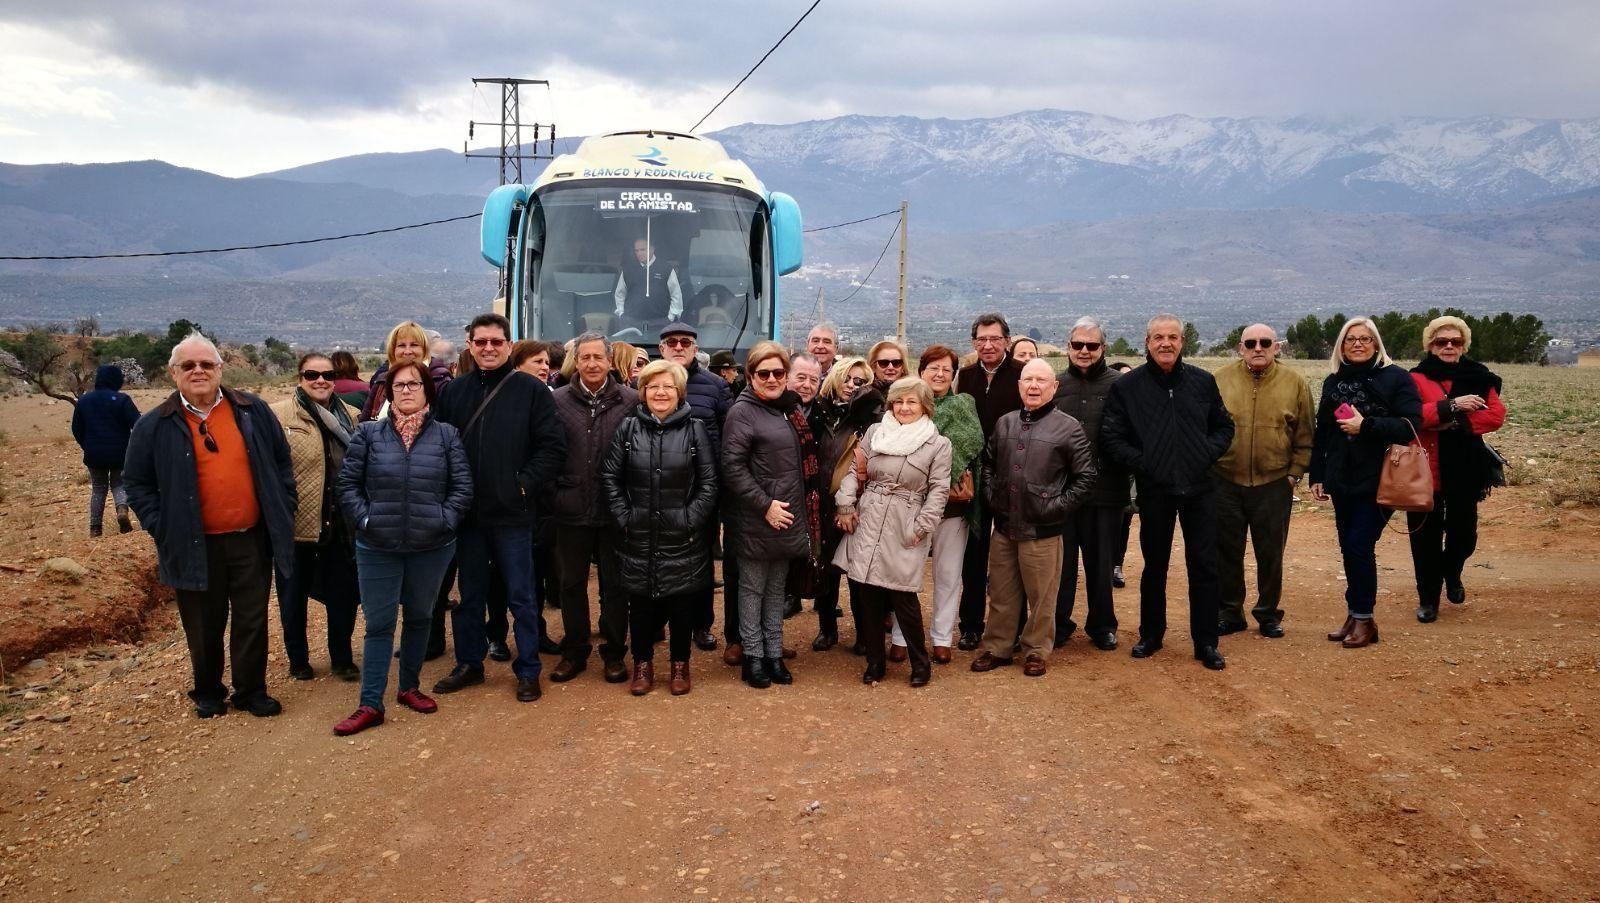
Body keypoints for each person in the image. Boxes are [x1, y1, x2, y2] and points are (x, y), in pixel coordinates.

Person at [124, 332, 296, 719]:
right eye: (189, 365)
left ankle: (251, 690)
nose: (198, 371)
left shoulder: (252, 410)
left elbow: (281, 462)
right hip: (190, 543)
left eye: (206, 364)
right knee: (203, 623)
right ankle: (207, 691)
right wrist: (161, 525)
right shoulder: (154, 424)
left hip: (251, 538)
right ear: (173, 373)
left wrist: (283, 506)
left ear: (220, 369)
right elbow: (136, 483)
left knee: (251, 618)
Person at [331, 362, 473, 736]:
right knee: (379, 624)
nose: (406, 390)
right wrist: (366, 520)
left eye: (414, 384)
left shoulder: (447, 436)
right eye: (399, 385)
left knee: (421, 617)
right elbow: (347, 485)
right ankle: (370, 703)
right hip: (378, 545)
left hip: (433, 545)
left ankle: (409, 687)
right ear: (389, 391)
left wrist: (445, 520)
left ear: (427, 390)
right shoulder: (367, 435)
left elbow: (462, 487)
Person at [432, 313, 566, 702]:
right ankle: (469, 664)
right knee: (470, 595)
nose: (488, 348)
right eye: (480, 342)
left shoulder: (532, 391)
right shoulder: (453, 393)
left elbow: (552, 448)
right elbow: (441, 448)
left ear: (509, 345)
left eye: (496, 341)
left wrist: (522, 485)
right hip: (469, 515)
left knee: (522, 596)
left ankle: (528, 669)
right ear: (470, 345)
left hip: (514, 515)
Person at [1101, 314, 1234, 672]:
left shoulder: (1202, 383)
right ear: (1147, 342)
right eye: (1158, 337)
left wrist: (1204, 454)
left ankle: (1206, 642)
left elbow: (1224, 426)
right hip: (1155, 489)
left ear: (1182, 341)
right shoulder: (1129, 388)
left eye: (1172, 337)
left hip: (1200, 488)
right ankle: (1152, 634)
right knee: (1154, 564)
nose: (1166, 343)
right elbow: (1112, 436)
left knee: (1204, 566)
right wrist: (1145, 463)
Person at [602, 360, 719, 696]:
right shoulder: (627, 429)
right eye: (653, 386)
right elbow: (611, 477)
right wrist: (624, 516)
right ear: (643, 392)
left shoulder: (695, 429)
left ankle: (680, 665)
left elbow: (709, 481)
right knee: (640, 603)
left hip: (681, 532)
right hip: (638, 531)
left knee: (681, 604)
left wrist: (691, 518)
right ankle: (642, 663)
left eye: (668, 386)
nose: (661, 392)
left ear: (679, 392)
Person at [972, 359, 1095, 677]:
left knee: (1042, 596)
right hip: (1004, 526)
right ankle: (997, 647)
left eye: (1042, 380)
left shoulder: (1068, 427)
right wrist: (991, 496)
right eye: (1028, 380)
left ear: (1054, 387)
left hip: (1043, 530)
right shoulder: (1005, 423)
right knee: (1001, 592)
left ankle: (1036, 651)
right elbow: (988, 463)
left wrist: (1053, 508)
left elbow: (1085, 478)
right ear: (1019, 386)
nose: (1034, 386)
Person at [1310, 317, 1422, 648]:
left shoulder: (1397, 378)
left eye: (1365, 338)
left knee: (1360, 543)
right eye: (1350, 339)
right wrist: (1316, 473)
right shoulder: (1333, 382)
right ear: (1341, 346)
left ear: (1376, 344)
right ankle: (1355, 613)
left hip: (1382, 477)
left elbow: (1411, 425)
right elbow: (1323, 432)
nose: (1358, 344)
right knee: (1349, 546)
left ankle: (1364, 618)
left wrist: (1366, 425)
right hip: (1342, 478)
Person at [835, 377, 952, 686]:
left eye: (911, 401)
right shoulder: (876, 432)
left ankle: (920, 663)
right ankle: (875, 662)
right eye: (898, 401)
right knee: (868, 595)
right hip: (870, 518)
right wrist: (846, 504)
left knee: (904, 599)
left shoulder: (938, 444)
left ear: (925, 406)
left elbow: (939, 490)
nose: (903, 407)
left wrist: (923, 526)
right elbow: (854, 469)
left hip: (906, 521)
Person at [721, 341, 820, 688]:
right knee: (752, 589)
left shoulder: (787, 408)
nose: (772, 378)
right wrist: (765, 505)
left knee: (776, 589)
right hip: (757, 516)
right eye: (764, 373)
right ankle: (753, 657)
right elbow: (732, 468)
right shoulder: (742, 412)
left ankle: (773, 653)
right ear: (751, 376)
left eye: (779, 372)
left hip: (786, 516)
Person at [549, 333, 639, 684]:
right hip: (570, 507)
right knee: (570, 584)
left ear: (610, 360)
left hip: (615, 509)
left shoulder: (630, 401)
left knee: (615, 586)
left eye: (597, 357)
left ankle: (614, 653)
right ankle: (574, 651)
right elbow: (548, 452)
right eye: (584, 357)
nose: (591, 364)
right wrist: (555, 494)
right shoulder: (557, 401)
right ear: (577, 361)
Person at [1214, 324, 1314, 639]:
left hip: (1274, 483)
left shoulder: (1295, 383)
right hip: (1225, 480)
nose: (1258, 348)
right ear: (1240, 347)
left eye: (1265, 342)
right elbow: (1207, 427)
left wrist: (1294, 473)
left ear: (1276, 347)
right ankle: (1230, 612)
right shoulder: (1220, 380)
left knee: (1270, 553)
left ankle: (1268, 614)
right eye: (1251, 343)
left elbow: (1306, 434)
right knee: (1227, 551)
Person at [882, 345, 981, 664]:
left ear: (954, 375)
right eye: (933, 368)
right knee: (904, 573)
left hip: (952, 508)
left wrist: (951, 485)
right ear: (920, 371)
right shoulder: (907, 408)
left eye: (946, 370)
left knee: (949, 574)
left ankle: (941, 638)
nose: (939, 374)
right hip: (910, 507)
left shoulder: (964, 405)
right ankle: (901, 637)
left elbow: (972, 446)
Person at [269, 354, 363, 682]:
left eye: (327, 374)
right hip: (298, 524)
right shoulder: (280, 415)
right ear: (300, 378)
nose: (320, 380)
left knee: (344, 595)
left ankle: (342, 658)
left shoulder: (351, 417)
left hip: (341, 524)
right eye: (312, 375)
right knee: (293, 597)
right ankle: (298, 659)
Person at [1409, 316, 1505, 623]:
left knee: (1464, 534)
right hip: (1425, 467)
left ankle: (1452, 571)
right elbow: (1410, 415)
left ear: (1464, 345)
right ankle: (1428, 600)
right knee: (1425, 537)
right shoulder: (1416, 378)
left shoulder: (1479, 375)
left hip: (1466, 467)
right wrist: (1451, 407)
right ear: (1430, 345)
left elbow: (1495, 416)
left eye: (1456, 341)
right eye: (1441, 342)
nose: (1449, 346)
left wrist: (1455, 423)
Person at [1050, 317, 1127, 651]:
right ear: (1068, 347)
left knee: (1100, 564)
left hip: (1105, 491)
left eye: (1091, 345)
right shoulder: (1055, 385)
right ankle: (1058, 624)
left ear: (1103, 349)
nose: (1084, 351)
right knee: (1061, 565)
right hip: (1062, 492)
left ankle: (1102, 625)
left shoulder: (1120, 386)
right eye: (1078, 345)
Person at [657, 322, 731, 652]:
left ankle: (701, 625)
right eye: (671, 342)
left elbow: (729, 437)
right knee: (657, 558)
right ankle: (657, 621)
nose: (678, 346)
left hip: (703, 489)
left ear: (694, 347)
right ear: (661, 349)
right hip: (657, 489)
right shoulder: (648, 385)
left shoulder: (715, 386)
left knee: (700, 560)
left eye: (685, 342)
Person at [955, 312, 1024, 650]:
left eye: (994, 339)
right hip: (973, 479)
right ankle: (970, 625)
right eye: (981, 339)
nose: (988, 345)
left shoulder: (1023, 376)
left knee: (1012, 556)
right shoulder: (963, 377)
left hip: (1012, 475)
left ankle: (1014, 626)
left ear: (1007, 341)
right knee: (974, 554)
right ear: (973, 343)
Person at [809, 357, 880, 652]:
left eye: (860, 382)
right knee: (824, 569)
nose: (852, 385)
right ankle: (827, 628)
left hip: (855, 503)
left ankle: (864, 635)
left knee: (857, 572)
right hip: (820, 500)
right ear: (836, 378)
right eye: (848, 379)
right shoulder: (817, 413)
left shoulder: (871, 418)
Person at [511, 338, 565, 654]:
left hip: (545, 499)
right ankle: (503, 637)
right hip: (516, 497)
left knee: (538, 572)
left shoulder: (550, 397)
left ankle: (536, 634)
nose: (545, 367)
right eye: (538, 362)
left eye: (547, 362)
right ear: (518, 364)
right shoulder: (508, 397)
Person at [71, 364, 140, 537]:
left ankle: (95, 528)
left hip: (94, 453)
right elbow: (138, 425)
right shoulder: (122, 399)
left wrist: (86, 445)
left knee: (98, 489)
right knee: (119, 484)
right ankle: (122, 510)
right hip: (120, 453)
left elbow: (76, 428)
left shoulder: (84, 401)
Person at [362, 321, 449, 421]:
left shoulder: (440, 381)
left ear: (424, 349)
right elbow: (364, 425)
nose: (407, 351)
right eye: (401, 346)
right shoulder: (382, 382)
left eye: (414, 345)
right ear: (393, 351)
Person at [1108, 361, 1136, 589]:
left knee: (1124, 522)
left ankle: (1116, 565)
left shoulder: (1137, 407)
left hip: (1129, 473)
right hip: (1109, 472)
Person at [614, 238, 683, 326]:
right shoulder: (628, 269)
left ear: (652, 249)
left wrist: (671, 317)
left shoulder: (666, 269)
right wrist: (621, 313)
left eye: (643, 249)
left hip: (660, 322)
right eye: (637, 250)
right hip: (632, 322)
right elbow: (620, 293)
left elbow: (676, 294)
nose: (639, 253)